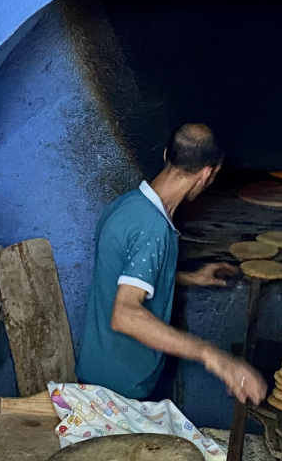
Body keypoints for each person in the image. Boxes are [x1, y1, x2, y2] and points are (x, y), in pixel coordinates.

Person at [76, 123, 267, 404]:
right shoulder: (152, 228)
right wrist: (212, 356)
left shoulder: (127, 205)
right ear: (208, 173)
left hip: (96, 373)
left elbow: (122, 273)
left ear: (167, 154)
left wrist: (192, 277)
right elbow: (125, 315)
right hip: (118, 391)